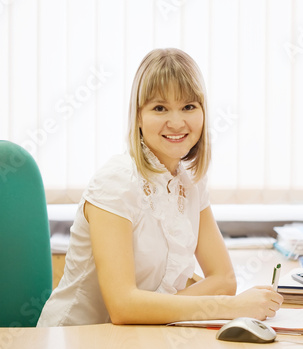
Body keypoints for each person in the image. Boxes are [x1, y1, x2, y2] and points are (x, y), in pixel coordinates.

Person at [37, 48, 283, 327]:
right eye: (160, 108)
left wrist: (161, 311)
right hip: (74, 340)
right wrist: (230, 307)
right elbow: (123, 306)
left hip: (139, 338)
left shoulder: (190, 183)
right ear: (138, 117)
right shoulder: (116, 182)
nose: (177, 122)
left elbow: (224, 279)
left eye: (189, 107)